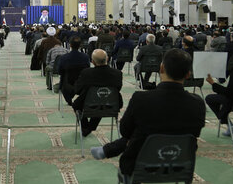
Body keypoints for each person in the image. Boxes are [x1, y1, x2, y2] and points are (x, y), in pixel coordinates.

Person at [90, 49, 205, 179]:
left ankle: (107, 150)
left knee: (138, 135)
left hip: (139, 164)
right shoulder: (198, 103)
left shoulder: (141, 99)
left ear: (161, 68)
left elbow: (125, 132)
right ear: (188, 75)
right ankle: (107, 150)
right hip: (180, 165)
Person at [73, 49, 122, 137]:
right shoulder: (117, 73)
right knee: (102, 101)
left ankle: (86, 127)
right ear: (107, 59)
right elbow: (118, 88)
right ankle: (90, 127)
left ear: (93, 62)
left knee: (79, 104)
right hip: (112, 104)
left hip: (88, 103)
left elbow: (77, 90)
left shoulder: (86, 73)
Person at [57, 36, 91, 104]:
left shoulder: (64, 58)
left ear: (70, 45)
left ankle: (69, 100)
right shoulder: (85, 57)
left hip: (67, 85)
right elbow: (87, 70)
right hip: (82, 84)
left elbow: (60, 71)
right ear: (80, 45)